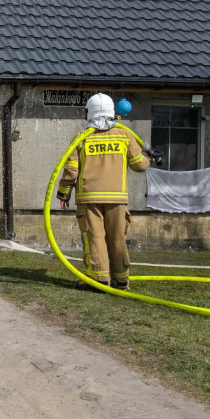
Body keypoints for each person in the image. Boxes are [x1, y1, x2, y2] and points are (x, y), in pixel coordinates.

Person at [57, 93, 150, 291]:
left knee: (94, 237)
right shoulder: (124, 135)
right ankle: (121, 280)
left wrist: (64, 194)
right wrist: (150, 159)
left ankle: (99, 279)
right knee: (117, 238)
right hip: (117, 198)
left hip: (89, 198)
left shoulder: (81, 137)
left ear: (88, 112)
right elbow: (139, 165)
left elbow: (71, 170)